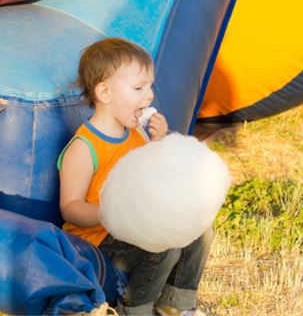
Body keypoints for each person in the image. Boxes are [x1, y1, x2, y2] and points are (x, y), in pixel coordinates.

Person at [57, 38, 212, 316]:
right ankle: (135, 310)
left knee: (197, 229)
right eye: (139, 88)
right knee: (161, 245)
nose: (150, 95)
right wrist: (114, 213)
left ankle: (176, 305)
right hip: (97, 237)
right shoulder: (84, 147)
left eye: (150, 86)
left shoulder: (136, 135)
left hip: (129, 226)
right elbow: (70, 208)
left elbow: (150, 181)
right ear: (104, 92)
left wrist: (158, 143)